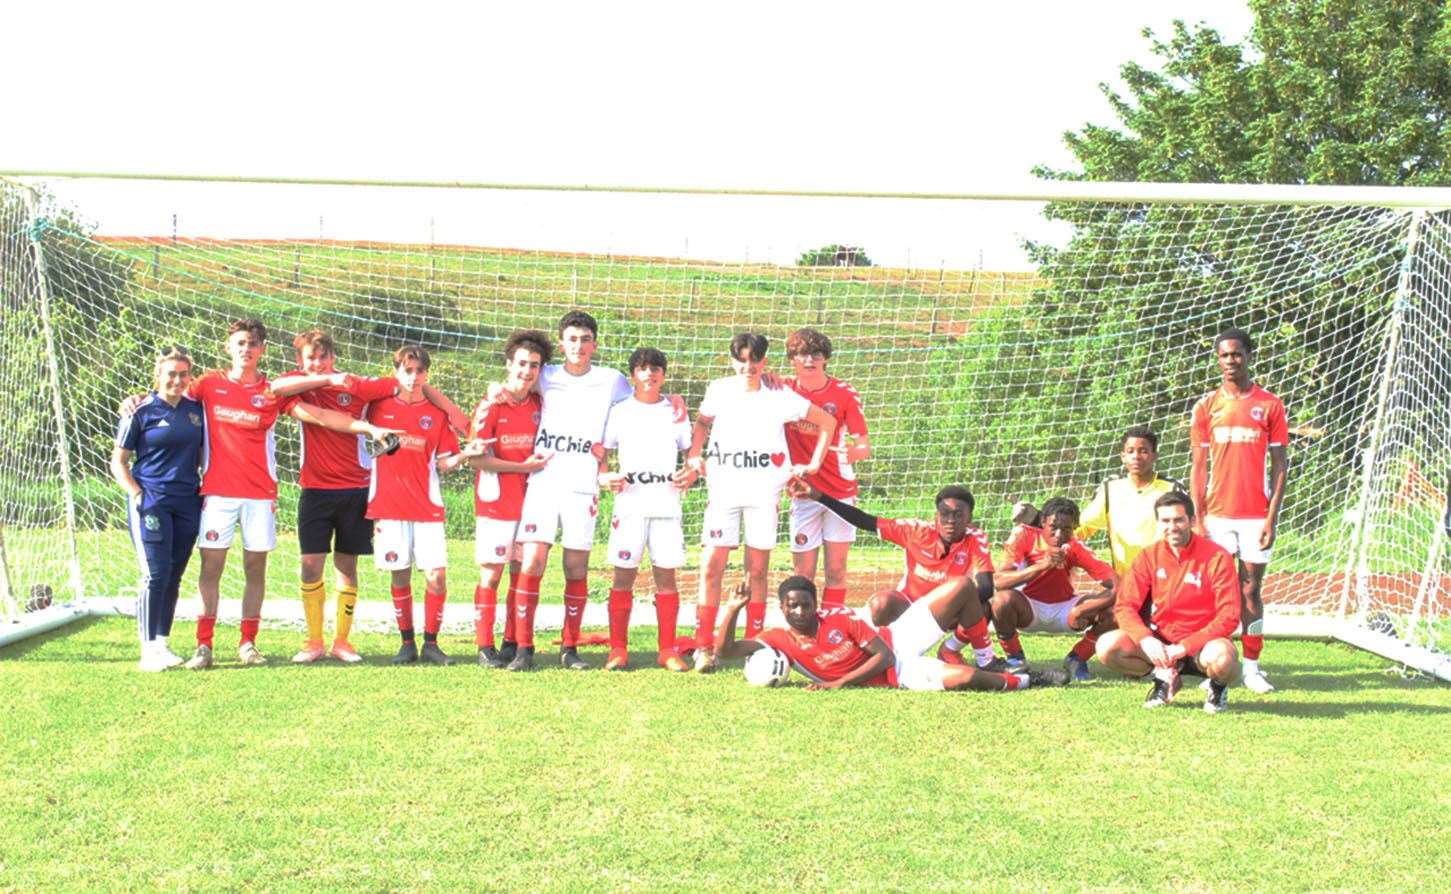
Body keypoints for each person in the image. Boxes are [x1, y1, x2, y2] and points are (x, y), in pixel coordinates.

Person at [683, 332, 836, 672]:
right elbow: (703, 422)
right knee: (711, 565)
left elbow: (827, 422)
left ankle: (753, 645)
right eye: (742, 359)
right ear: (732, 360)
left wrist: (811, 465)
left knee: (757, 571)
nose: (748, 366)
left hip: (764, 493)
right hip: (723, 490)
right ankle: (704, 646)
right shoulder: (719, 389)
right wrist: (695, 454)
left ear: (765, 361)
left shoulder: (780, 395)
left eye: (755, 359)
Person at [269, 330, 406, 664]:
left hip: (356, 490)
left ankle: (341, 641)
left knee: (347, 565)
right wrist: (330, 382)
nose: (317, 363)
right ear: (300, 362)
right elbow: (276, 389)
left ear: (333, 356)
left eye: (324, 357)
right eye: (310, 359)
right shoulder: (295, 387)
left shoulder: (355, 385)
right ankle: (313, 641)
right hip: (315, 491)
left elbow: (402, 384)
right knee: (310, 564)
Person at [788, 479, 1006, 671]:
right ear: (936, 516)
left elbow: (986, 586)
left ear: (969, 519)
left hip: (947, 612)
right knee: (881, 603)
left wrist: (955, 602)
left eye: (959, 515)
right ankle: (867, 653)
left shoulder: (975, 537)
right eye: (945, 514)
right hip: (909, 607)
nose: (951, 520)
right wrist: (818, 496)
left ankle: (973, 657)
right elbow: (865, 521)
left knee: (983, 604)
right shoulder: (914, 530)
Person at [716, 576, 1069, 691]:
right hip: (897, 675)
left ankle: (979, 655)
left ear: (815, 604)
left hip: (894, 642)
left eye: (805, 605)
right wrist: (733, 609)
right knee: (965, 680)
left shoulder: (838, 619)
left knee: (962, 586)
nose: (799, 612)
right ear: (783, 608)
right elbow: (727, 651)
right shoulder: (779, 639)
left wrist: (838, 684)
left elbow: (882, 654)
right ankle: (1026, 681)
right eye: (792, 606)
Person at [366, 344, 482, 666]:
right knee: (400, 575)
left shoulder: (435, 414)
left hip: (427, 507)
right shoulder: (376, 408)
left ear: (427, 375)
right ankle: (407, 644)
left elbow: (444, 463)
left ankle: (432, 643)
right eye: (407, 369)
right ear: (396, 372)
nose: (413, 376)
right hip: (388, 507)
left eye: (419, 371)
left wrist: (466, 454)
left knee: (436, 576)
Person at [1190, 328, 1288, 693]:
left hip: (1254, 517)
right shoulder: (1205, 406)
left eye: (1236, 354)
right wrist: (1198, 518)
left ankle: (1252, 668)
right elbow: (1199, 467)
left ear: (1248, 355)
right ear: (1217, 360)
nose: (1230, 361)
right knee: (1218, 594)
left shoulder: (1271, 405)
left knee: (1250, 591)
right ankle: (1216, 665)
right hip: (1216, 517)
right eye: (1223, 355)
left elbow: (1280, 466)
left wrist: (1271, 517)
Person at [598, 347, 699, 671]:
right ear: (633, 376)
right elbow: (602, 450)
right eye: (642, 368)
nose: (650, 374)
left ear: (664, 375)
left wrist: (691, 473)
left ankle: (667, 650)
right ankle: (618, 649)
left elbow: (690, 453)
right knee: (623, 576)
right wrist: (604, 475)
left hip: (666, 505)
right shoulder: (620, 411)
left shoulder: (675, 411)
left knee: (666, 577)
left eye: (656, 368)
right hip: (630, 505)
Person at [1096, 491, 1241, 713]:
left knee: (1223, 660)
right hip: (1162, 643)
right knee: (1107, 647)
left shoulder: (1218, 557)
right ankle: (1163, 677)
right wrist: (1146, 640)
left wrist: (1184, 647)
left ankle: (1217, 687)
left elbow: (1229, 616)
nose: (1172, 526)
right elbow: (1125, 606)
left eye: (1178, 520)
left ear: (1192, 521)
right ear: (1158, 523)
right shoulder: (1148, 556)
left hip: (1201, 646)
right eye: (1165, 520)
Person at [110, 347, 206, 672]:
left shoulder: (197, 411)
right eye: (171, 374)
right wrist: (137, 495)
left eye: (183, 374)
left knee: (175, 574)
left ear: (189, 376)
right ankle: (147, 649)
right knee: (154, 574)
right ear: (159, 376)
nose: (177, 380)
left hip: (188, 502)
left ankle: (162, 644)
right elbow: (118, 462)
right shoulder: (140, 410)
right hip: (152, 500)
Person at [467, 330, 551, 668]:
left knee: (522, 573)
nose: (526, 371)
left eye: (534, 365)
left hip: (531, 502)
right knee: (491, 575)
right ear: (509, 364)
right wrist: (519, 466)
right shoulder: (491, 405)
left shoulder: (540, 402)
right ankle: (484, 646)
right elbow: (476, 459)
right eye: (521, 364)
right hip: (496, 502)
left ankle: (511, 640)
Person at [782, 328, 871, 607]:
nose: (809, 360)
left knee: (836, 570)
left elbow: (863, 447)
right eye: (802, 354)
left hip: (839, 492)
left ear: (826, 359)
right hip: (803, 492)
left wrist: (849, 454)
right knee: (803, 573)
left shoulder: (844, 393)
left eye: (816, 354)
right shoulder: (782, 390)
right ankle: (803, 634)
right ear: (792, 359)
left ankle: (834, 627)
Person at [991, 496, 1117, 681]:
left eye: (1066, 529)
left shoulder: (1075, 547)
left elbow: (1118, 585)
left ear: (1074, 529)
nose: (1059, 535)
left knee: (1116, 610)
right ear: (1043, 522)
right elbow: (998, 581)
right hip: (1028, 608)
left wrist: (1083, 609)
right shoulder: (1023, 535)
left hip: (1065, 610)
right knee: (1000, 601)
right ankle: (1015, 660)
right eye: (1053, 527)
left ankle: (1077, 658)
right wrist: (1042, 565)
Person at [1076, 426, 1185, 577]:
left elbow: (1189, 530)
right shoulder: (1110, 489)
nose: (1136, 456)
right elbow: (1086, 524)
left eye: (1144, 451)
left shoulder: (1171, 488)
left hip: (1164, 579)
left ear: (1155, 456)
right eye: (1131, 451)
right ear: (1123, 456)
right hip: (1125, 581)